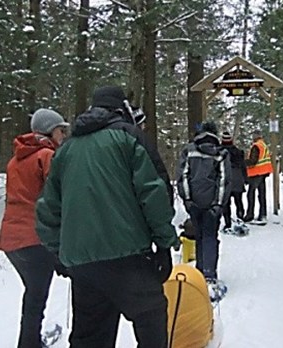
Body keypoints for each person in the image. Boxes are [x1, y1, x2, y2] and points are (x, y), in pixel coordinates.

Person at [35, 85, 179, 348]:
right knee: (151, 322)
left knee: (90, 337)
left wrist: (61, 252)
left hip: (84, 267)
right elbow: (154, 194)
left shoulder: (66, 150)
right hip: (129, 258)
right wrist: (165, 244)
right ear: (121, 108)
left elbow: (47, 209)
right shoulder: (129, 137)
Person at [0, 108, 69, 348]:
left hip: (12, 239)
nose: (63, 135)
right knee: (36, 298)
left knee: (34, 294)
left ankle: (30, 341)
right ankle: (28, 344)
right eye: (61, 130)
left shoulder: (15, 159)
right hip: (35, 237)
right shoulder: (47, 156)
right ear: (49, 131)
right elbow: (57, 196)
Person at [176, 121, 231, 298]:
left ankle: (200, 274)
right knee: (210, 237)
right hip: (212, 204)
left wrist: (187, 199)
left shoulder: (189, 150)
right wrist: (219, 204)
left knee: (199, 237)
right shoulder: (221, 153)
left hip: (194, 204)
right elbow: (224, 180)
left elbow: (183, 176)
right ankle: (209, 276)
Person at [243, 129, 273, 225]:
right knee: (261, 194)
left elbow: (253, 161)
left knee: (251, 194)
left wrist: (243, 163)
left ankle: (250, 215)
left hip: (256, 173)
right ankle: (262, 214)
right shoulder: (263, 145)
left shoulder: (256, 146)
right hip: (263, 172)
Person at [220, 131, 247, 232]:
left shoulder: (219, 152)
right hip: (238, 179)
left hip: (226, 180)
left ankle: (228, 223)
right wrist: (245, 179)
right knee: (238, 201)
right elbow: (243, 166)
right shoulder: (238, 152)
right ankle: (240, 219)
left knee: (226, 203)